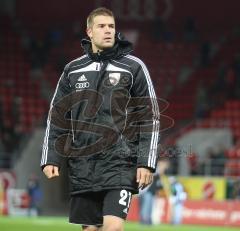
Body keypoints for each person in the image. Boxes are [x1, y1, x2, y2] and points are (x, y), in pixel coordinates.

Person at [41, 7, 160, 231]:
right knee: (90, 229)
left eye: (112, 26)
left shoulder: (133, 67)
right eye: (102, 26)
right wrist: (51, 157)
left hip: (120, 164)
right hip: (83, 165)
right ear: (89, 32)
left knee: (112, 227)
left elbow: (149, 116)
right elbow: (57, 116)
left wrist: (146, 162)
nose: (108, 31)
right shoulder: (72, 70)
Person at [139, 157, 170, 225]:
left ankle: (148, 221)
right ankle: (144, 222)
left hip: (151, 192)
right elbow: (157, 172)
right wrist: (161, 166)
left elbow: (159, 184)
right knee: (145, 207)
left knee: (149, 207)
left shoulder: (158, 174)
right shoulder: (153, 169)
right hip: (146, 191)